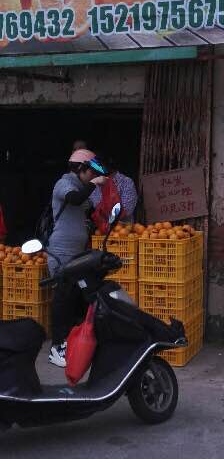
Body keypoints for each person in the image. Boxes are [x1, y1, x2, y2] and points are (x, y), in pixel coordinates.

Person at [47, 149, 107, 368]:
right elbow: (75, 199)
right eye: (91, 172)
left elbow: (88, 208)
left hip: (78, 253)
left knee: (78, 296)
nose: (93, 176)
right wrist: (94, 184)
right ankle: (56, 347)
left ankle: (76, 341)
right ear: (80, 168)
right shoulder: (64, 184)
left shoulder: (82, 187)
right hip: (61, 253)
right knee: (62, 298)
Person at [91, 156, 138, 226]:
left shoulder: (126, 182)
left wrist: (108, 218)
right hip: (101, 229)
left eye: (98, 166)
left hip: (122, 229)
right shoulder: (96, 183)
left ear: (109, 164)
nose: (96, 169)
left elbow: (126, 210)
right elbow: (96, 205)